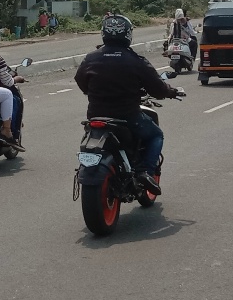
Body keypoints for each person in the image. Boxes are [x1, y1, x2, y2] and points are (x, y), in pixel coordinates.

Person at [74, 14, 184, 195]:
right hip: (128, 116)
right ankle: (145, 172)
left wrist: (93, 92)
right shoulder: (135, 61)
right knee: (156, 135)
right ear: (128, 34)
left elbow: (81, 81)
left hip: (95, 115)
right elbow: (158, 89)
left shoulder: (91, 58)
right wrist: (171, 92)